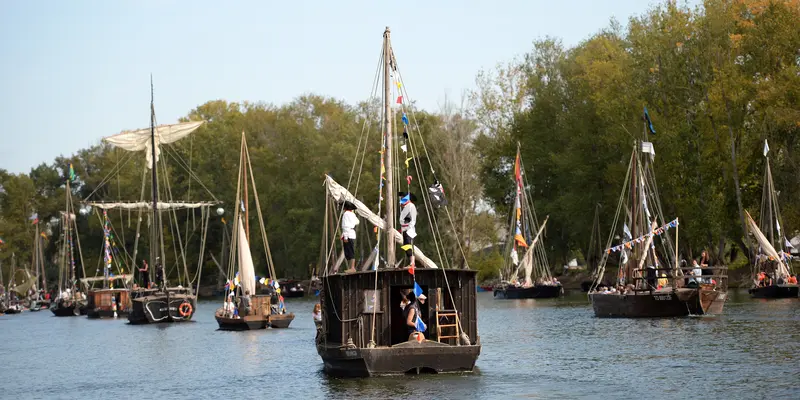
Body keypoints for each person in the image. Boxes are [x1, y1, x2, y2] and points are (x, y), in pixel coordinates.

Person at [399, 192, 418, 268]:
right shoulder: (406, 206)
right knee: (406, 246)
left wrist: (409, 227)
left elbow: (413, 219)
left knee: (408, 245)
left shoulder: (411, 206)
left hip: (408, 229)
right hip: (405, 228)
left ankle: (412, 263)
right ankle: (411, 262)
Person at [341, 202, 359, 273]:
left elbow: (345, 226)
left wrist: (345, 237)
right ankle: (351, 267)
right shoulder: (352, 214)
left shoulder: (345, 214)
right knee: (351, 250)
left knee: (349, 251)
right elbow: (357, 221)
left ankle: (352, 267)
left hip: (348, 234)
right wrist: (352, 223)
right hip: (352, 233)